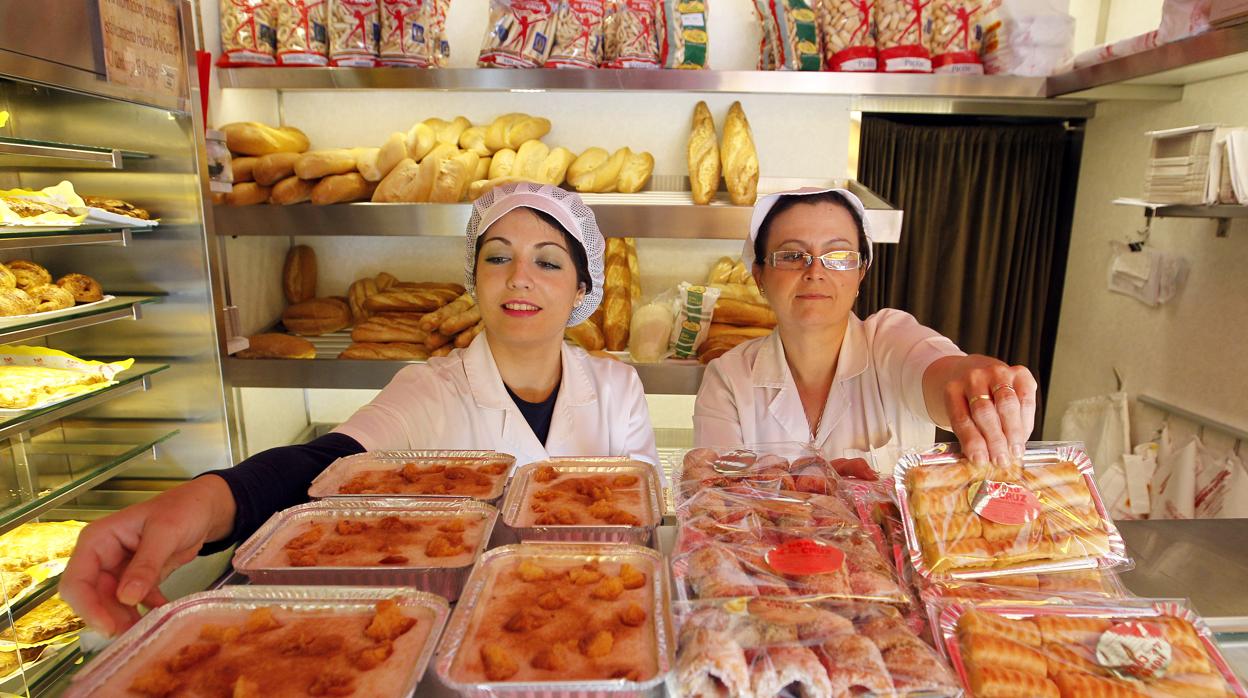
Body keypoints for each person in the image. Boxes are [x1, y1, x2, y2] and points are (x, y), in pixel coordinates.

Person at [61, 183, 659, 636]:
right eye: (498, 258)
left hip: (596, 623)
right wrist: (208, 500)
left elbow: (642, 534)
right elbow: (329, 463)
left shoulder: (617, 387)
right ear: (473, 278)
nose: (520, 278)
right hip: (452, 633)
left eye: (548, 262)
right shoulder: (429, 388)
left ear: (582, 289)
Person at [693, 187, 1038, 474]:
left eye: (838, 256)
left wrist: (973, 380)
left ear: (861, 273)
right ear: (759, 277)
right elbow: (717, 502)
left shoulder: (890, 339)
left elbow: (940, 370)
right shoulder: (730, 378)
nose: (815, 271)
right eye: (791, 256)